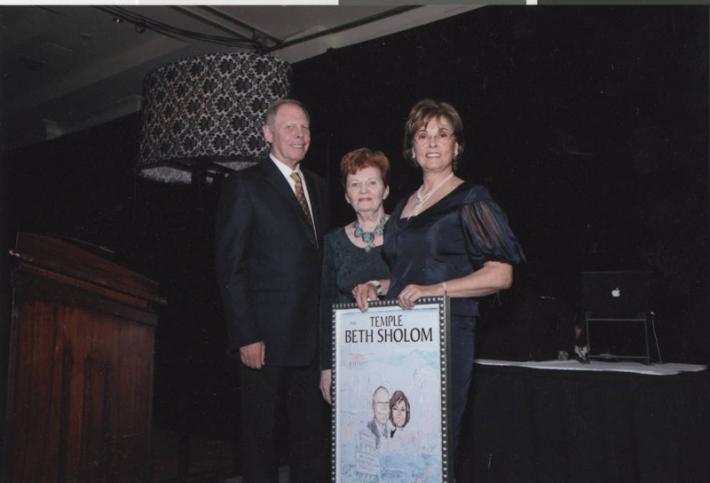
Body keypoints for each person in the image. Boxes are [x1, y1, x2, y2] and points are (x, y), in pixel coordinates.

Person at [353, 98, 525, 454]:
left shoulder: (471, 199)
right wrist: (376, 286)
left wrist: (436, 290)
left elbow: (501, 274)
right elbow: (406, 276)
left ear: (456, 146)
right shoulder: (402, 206)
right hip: (399, 340)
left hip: (445, 338)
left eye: (442, 134)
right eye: (422, 134)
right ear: (411, 148)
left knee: (432, 448)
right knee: (398, 446)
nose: (432, 142)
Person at [215, 98, 330, 482]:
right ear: (267, 134)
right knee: (259, 439)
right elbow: (230, 268)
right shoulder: (245, 185)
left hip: (311, 342)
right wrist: (247, 335)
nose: (299, 135)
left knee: (311, 440)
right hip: (264, 343)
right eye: (289, 127)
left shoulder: (319, 186)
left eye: (305, 128)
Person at [318, 148, 392, 404]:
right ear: (347, 196)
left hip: (397, 353)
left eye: (372, 182)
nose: (364, 190)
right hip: (348, 357)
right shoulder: (333, 242)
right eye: (355, 184)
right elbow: (325, 306)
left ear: (385, 190)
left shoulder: (405, 235)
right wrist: (326, 368)